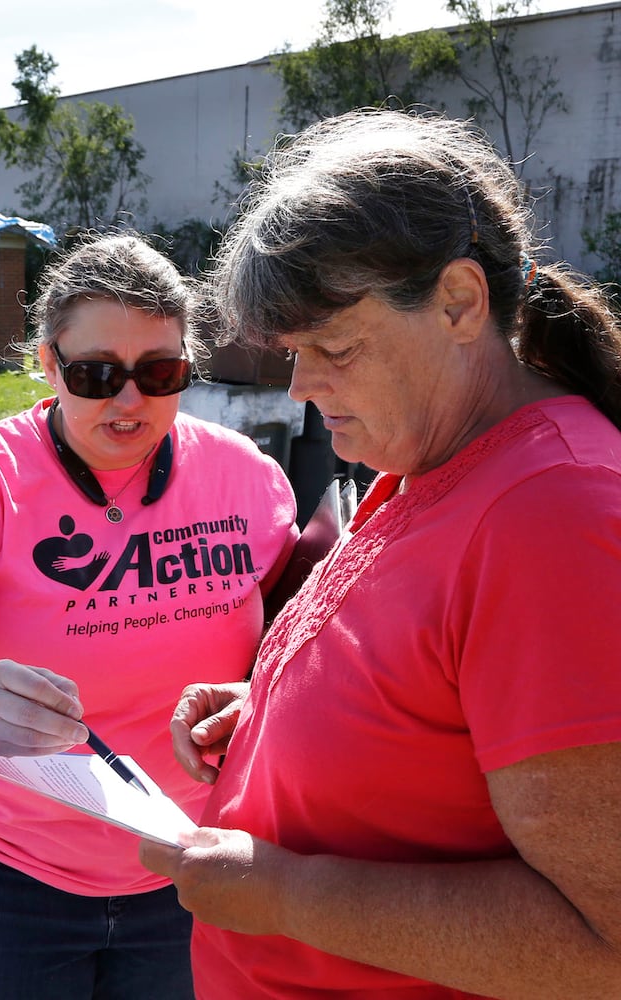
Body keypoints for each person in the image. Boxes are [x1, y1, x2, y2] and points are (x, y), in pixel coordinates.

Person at [140, 108, 621, 998]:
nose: (302, 385)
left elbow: (605, 944)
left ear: (459, 302)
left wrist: (283, 894)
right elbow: (449, 681)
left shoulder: (553, 512)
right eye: (293, 350)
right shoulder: (433, 454)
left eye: (334, 347)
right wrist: (282, 703)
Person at [0, 232, 298, 999]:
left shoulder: (246, 477)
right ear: (46, 362)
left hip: (188, 868)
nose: (129, 401)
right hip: (3, 879)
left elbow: (295, 648)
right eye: (97, 375)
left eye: (159, 373)